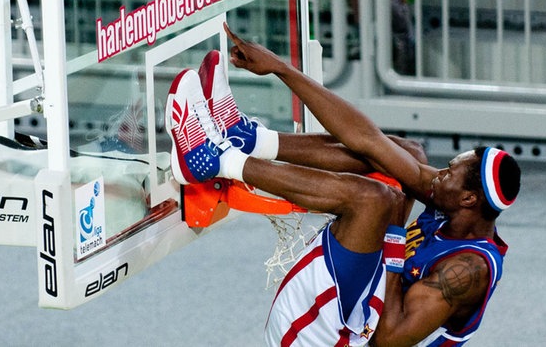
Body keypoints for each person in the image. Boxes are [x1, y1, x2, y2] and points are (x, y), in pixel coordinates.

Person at [165, 23, 521, 346]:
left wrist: (395, 232)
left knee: (375, 200)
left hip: (342, 338)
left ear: (469, 199)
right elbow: (369, 141)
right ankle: (246, 139)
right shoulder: (456, 208)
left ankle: (214, 160)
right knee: (405, 154)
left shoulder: (468, 271)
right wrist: (282, 69)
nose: (437, 175)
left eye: (448, 175)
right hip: (364, 307)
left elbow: (388, 338)